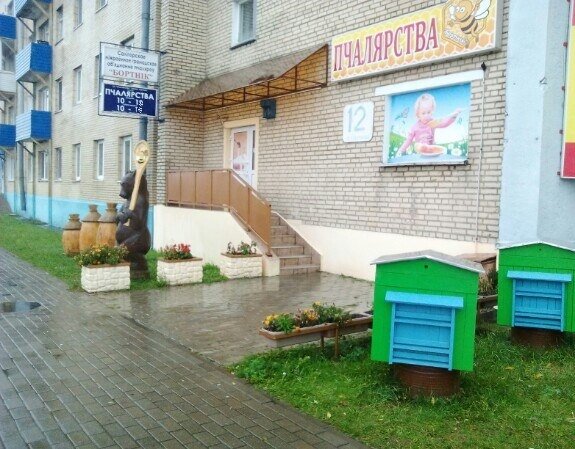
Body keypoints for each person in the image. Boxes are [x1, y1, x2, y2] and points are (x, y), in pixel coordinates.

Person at [396, 93, 462, 156]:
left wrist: (454, 115)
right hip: (419, 151)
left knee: (438, 149)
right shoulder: (414, 127)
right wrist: (401, 151)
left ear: (432, 111)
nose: (426, 116)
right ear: (418, 114)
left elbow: (444, 124)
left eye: (429, 112)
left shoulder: (433, 123)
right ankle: (424, 147)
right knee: (418, 145)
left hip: (431, 150)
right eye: (423, 113)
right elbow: (409, 140)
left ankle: (429, 148)